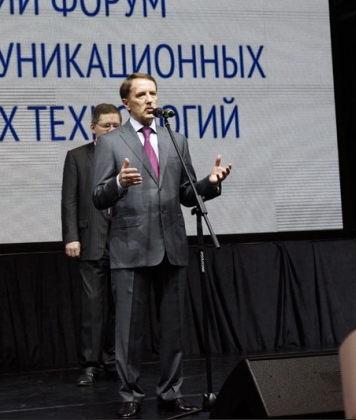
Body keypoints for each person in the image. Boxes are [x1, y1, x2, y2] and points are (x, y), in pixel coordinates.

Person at [92, 73, 232, 418]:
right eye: (141, 95)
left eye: (153, 93)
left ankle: (171, 393)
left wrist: (209, 183)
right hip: (130, 247)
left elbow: (186, 193)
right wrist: (118, 183)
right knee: (128, 332)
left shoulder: (175, 139)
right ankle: (130, 396)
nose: (150, 99)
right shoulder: (111, 142)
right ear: (126, 103)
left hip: (171, 245)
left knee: (173, 330)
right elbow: (98, 196)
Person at [61, 103, 121, 386]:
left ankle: (114, 361)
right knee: (93, 308)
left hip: (124, 242)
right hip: (91, 239)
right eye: (107, 125)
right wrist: (71, 236)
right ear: (93, 127)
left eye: (116, 126)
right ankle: (90, 364)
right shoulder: (77, 156)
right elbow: (69, 200)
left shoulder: (130, 154)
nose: (111, 130)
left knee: (120, 308)